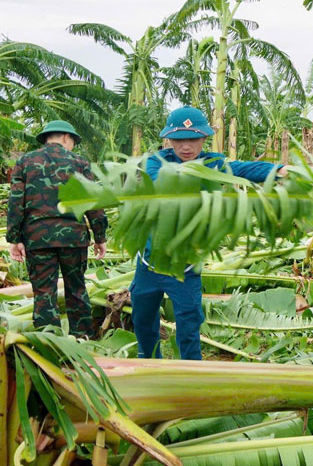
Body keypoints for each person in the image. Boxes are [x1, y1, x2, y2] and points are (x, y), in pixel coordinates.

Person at [131, 106, 287, 360]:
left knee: (189, 324)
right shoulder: (156, 162)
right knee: (143, 320)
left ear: (204, 138)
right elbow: (161, 181)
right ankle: (148, 365)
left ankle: (192, 372)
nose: (186, 146)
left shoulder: (213, 163)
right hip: (150, 263)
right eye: (179, 140)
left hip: (185, 265)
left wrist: (279, 170)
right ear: (169, 140)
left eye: (193, 139)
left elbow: (243, 168)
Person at [6, 120, 108, 338]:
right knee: (77, 289)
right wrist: (100, 237)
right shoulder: (80, 163)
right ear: (66, 137)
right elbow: (93, 203)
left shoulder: (24, 161)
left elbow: (16, 202)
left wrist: (14, 239)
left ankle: (49, 342)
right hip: (73, 238)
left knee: (44, 293)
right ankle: (83, 339)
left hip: (37, 238)